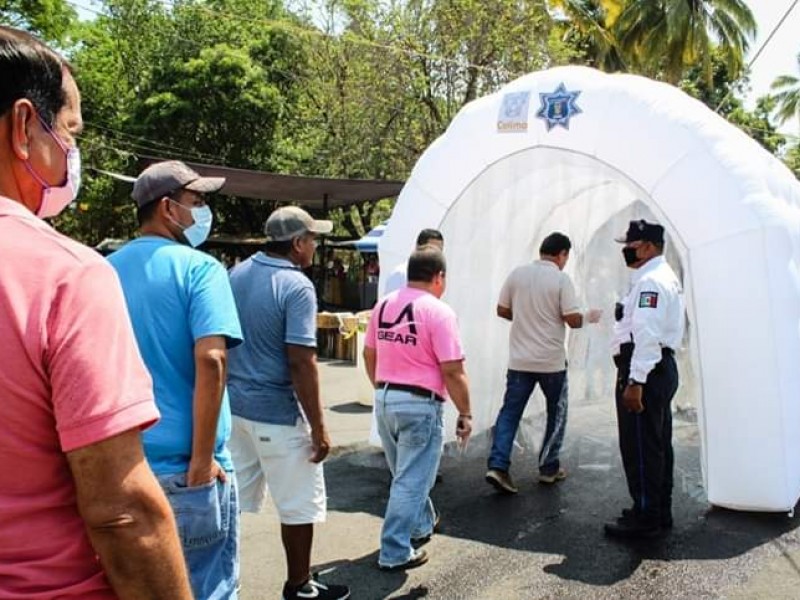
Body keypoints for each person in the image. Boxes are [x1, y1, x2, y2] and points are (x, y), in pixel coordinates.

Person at [0, 26, 192, 598]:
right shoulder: (65, 274)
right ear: (24, 125)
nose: (70, 153)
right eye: (69, 131)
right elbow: (122, 511)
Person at [109, 160, 244, 599]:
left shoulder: (102, 271)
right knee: (209, 589)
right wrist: (202, 465)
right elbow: (212, 361)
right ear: (168, 208)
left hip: (123, 470)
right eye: (197, 201)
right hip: (189, 471)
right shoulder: (201, 270)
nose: (203, 212)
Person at [227, 206, 350, 600]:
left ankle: (221, 582)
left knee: (230, 505)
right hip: (276, 412)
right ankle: (299, 586)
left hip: (235, 408)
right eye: (313, 239)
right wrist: (319, 426)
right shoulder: (296, 286)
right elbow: (301, 360)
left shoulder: (236, 273)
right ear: (297, 243)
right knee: (298, 506)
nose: (315, 245)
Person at [363, 246, 473, 571]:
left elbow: (369, 355)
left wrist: (383, 388)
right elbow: (453, 369)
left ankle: (421, 525)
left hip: (385, 398)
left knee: (405, 474)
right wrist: (465, 413)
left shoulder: (383, 305)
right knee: (411, 480)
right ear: (439, 277)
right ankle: (395, 550)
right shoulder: (438, 311)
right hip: (419, 404)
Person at [486, 232, 601, 494]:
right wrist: (589, 316)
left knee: (509, 413)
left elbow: (501, 310)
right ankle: (549, 468)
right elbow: (572, 319)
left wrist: (525, 316)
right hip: (551, 363)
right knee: (556, 413)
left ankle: (498, 464)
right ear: (561, 254)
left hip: (519, 360)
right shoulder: (561, 279)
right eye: (566, 257)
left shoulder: (517, 274)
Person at [604, 220, 685, 539]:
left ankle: (647, 514)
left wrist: (635, 381)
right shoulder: (657, 277)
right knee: (656, 443)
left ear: (649, 246)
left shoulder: (651, 282)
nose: (626, 250)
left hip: (645, 371)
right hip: (657, 368)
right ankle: (656, 508)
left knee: (639, 446)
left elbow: (647, 335)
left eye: (632, 245)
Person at [382, 228, 444, 295]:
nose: (436, 254)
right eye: (432, 249)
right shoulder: (400, 274)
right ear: (418, 247)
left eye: (439, 250)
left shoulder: (436, 278)